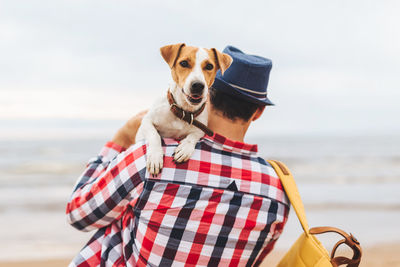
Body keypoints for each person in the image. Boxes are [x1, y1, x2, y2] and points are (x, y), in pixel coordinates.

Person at [66, 46, 290, 267]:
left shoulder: (148, 159)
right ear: (259, 111)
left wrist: (121, 138)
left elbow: (78, 215)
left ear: (205, 92)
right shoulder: (278, 192)